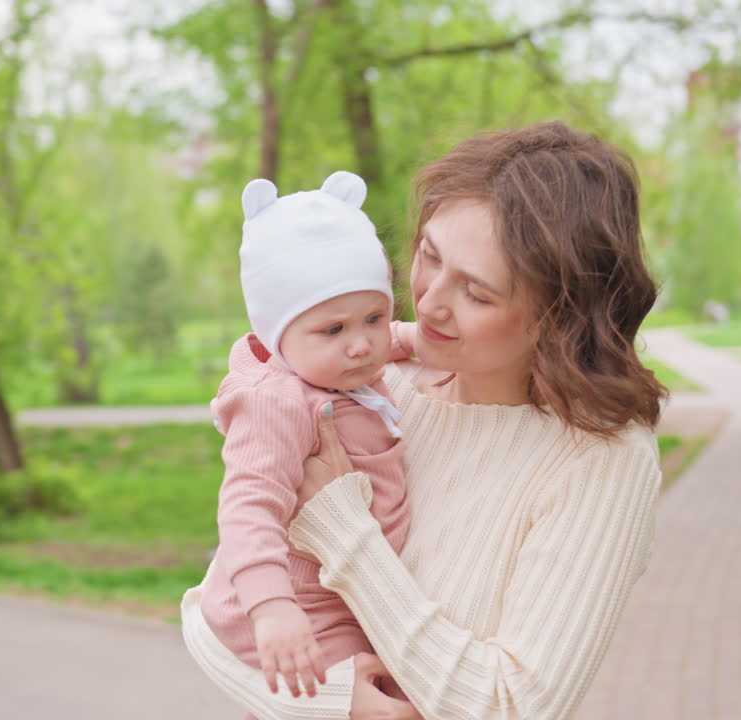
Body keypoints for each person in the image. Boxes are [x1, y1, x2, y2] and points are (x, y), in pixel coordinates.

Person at [181, 122, 667, 719]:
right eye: (429, 255)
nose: (429, 300)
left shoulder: (599, 461)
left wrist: (345, 533)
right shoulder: (374, 386)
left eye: (478, 293)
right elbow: (210, 614)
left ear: (559, 317)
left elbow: (511, 707)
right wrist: (330, 703)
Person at [199, 170, 416, 711]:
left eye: (376, 316)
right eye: (334, 329)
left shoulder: (337, 364)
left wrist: (426, 340)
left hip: (340, 592)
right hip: (301, 606)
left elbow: (390, 341)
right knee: (350, 697)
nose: (362, 346)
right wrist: (272, 608)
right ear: (279, 334)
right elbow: (249, 504)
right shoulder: (279, 402)